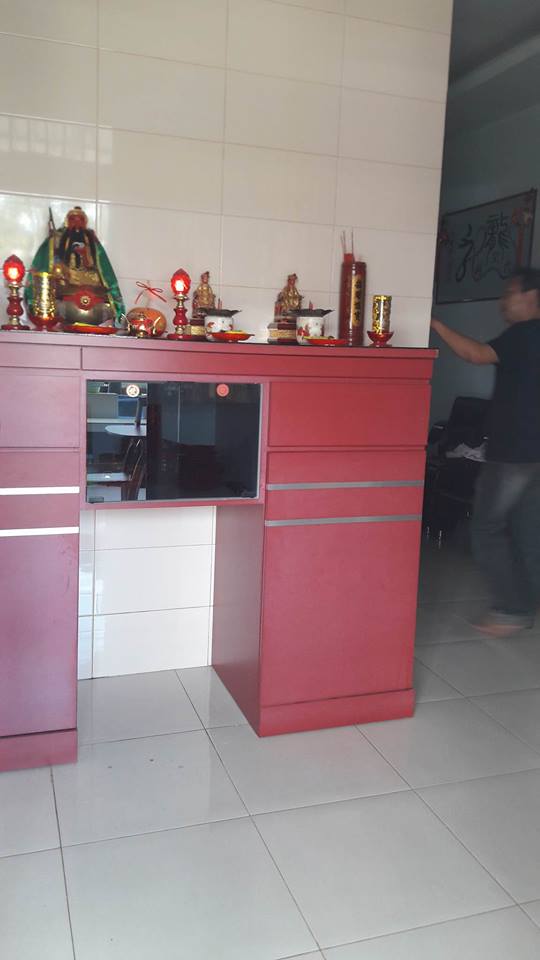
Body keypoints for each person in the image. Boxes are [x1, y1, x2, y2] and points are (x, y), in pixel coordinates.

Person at [431, 267, 540, 637]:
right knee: (527, 531)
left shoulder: (524, 333)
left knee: (486, 528)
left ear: (531, 296)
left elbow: (475, 354)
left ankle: (512, 610)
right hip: (533, 453)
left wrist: (435, 323)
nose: (503, 302)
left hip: (513, 453)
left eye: (510, 293)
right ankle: (524, 604)